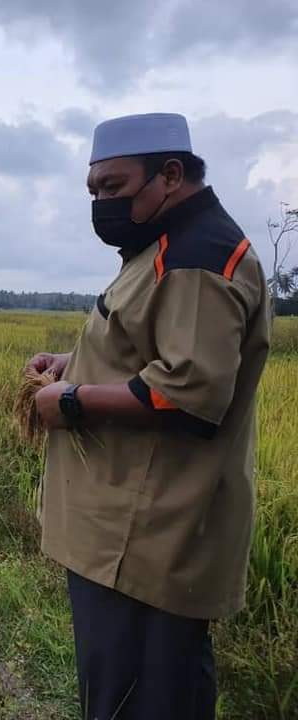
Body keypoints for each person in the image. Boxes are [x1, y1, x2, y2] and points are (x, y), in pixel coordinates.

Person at [27, 113, 271, 719]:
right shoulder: (159, 246)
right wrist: (74, 362)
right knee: (133, 689)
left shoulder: (196, 258)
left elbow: (187, 390)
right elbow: (149, 348)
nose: (101, 204)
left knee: (139, 697)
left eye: (113, 187)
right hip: (125, 537)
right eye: (93, 192)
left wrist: (72, 402)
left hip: (148, 540)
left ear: (169, 175)